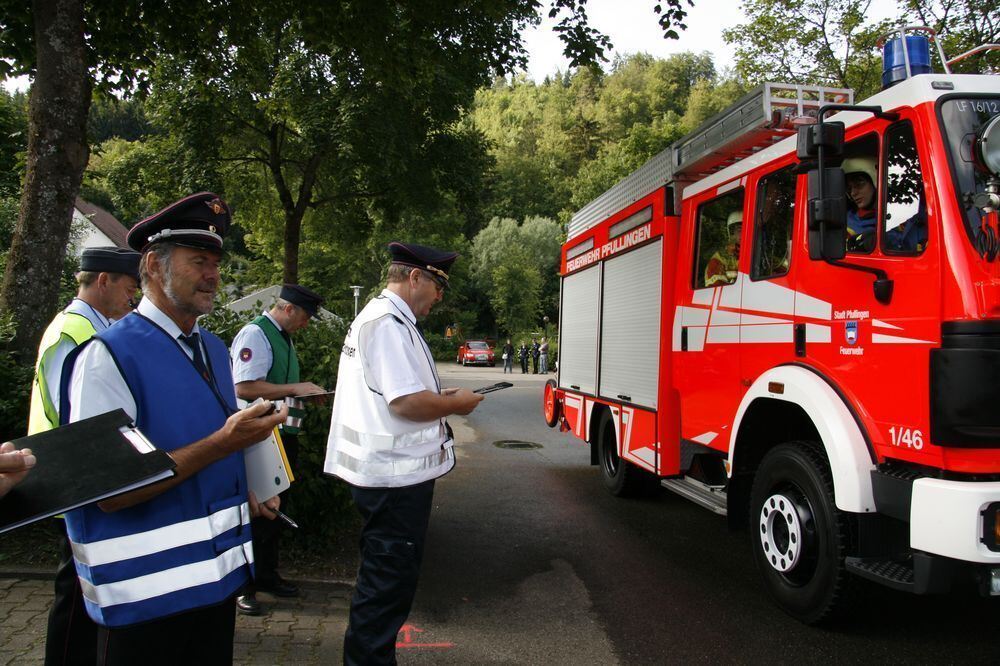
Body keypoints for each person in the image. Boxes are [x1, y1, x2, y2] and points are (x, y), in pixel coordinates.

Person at [61, 192, 287, 665]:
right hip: (142, 603)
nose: (213, 275)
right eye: (199, 260)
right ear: (153, 265)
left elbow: (208, 447)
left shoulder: (212, 348)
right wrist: (225, 441)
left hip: (214, 588)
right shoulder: (107, 357)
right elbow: (110, 491)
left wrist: (249, 485)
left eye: (216, 262)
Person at [324, 241, 485, 666]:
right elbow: (406, 404)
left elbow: (399, 394)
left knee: (384, 585)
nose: (439, 297)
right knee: (384, 592)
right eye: (438, 286)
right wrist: (456, 403)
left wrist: (440, 395)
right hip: (394, 482)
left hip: (387, 479)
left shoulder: (385, 319)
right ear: (415, 277)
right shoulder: (388, 325)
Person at [29, 246, 141, 666]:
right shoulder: (74, 329)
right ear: (103, 281)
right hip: (72, 476)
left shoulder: (90, 325)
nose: (132, 299)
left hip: (82, 475)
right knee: (75, 593)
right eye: (129, 288)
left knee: (83, 586)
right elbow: (72, 415)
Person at [229, 283, 326, 616]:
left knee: (276, 509)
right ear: (288, 309)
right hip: (261, 436)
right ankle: (243, 588)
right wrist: (296, 388)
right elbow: (244, 386)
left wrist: (303, 394)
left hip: (282, 434)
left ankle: (266, 575)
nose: (306, 324)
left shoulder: (281, 336)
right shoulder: (255, 335)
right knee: (258, 511)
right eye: (305, 317)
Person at [843, 156, 927, 253]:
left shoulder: (894, 219)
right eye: (849, 188)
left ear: (875, 181)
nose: (853, 193)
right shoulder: (846, 225)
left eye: (859, 184)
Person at [704, 212, 741, 287]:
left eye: (748, 228)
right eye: (739, 230)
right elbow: (715, 290)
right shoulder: (719, 260)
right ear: (732, 234)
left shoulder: (760, 255)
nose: (744, 233)